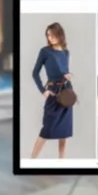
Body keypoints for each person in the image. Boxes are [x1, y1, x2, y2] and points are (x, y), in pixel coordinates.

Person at [31, 22, 73, 159]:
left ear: (60, 34)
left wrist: (69, 75)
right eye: (48, 35)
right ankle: (32, 161)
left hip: (66, 91)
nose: (50, 38)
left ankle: (61, 162)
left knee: (64, 132)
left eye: (53, 34)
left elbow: (65, 71)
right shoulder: (45, 51)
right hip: (53, 92)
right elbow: (35, 73)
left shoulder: (66, 52)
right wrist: (43, 90)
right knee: (46, 130)